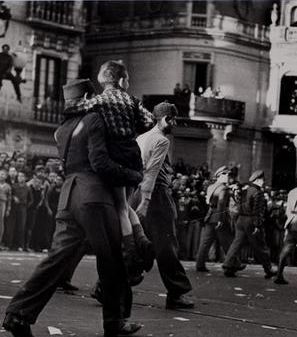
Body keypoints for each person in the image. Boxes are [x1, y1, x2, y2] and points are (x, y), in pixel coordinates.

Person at [2, 79, 144, 337]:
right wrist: (133, 175)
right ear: (89, 96)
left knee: (56, 259)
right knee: (112, 258)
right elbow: (99, 162)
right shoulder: (94, 120)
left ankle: (18, 313)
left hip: (68, 197)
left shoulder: (62, 128)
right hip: (94, 196)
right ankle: (115, 321)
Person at [74, 60, 155, 281]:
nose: (128, 82)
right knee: (126, 204)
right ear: (121, 80)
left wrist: (84, 102)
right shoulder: (131, 100)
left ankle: (131, 253)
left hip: (115, 154)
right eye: (127, 79)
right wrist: (132, 127)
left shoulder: (99, 101)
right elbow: (149, 121)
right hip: (132, 154)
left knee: (120, 207)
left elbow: (76, 110)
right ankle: (143, 240)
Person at [132, 101, 194, 309]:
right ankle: (176, 293)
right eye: (173, 119)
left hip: (136, 192)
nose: (174, 123)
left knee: (141, 243)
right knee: (167, 244)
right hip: (156, 196)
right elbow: (152, 170)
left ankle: (105, 287)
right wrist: (147, 200)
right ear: (165, 119)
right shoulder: (161, 140)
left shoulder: (141, 138)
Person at [222, 170, 277, 278]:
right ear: (257, 180)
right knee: (260, 246)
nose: (263, 182)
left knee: (236, 244)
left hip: (241, 219)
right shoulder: (258, 192)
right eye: (262, 180)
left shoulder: (245, 190)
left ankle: (228, 266)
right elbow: (258, 211)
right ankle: (268, 269)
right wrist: (257, 225)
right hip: (251, 221)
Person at [196, 166, 245, 273]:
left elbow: (209, 202)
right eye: (226, 175)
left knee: (206, 242)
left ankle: (200, 264)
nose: (228, 177)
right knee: (227, 242)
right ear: (219, 176)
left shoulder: (211, 187)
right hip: (220, 216)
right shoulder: (224, 188)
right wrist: (220, 219)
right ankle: (233, 264)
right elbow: (221, 203)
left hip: (210, 215)